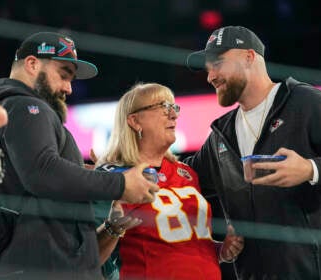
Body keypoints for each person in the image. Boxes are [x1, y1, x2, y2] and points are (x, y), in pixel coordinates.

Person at [185, 25, 321, 279]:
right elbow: (180, 179)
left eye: (218, 63)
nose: (210, 76)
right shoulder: (221, 136)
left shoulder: (304, 102)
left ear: (249, 57)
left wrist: (311, 169)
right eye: (208, 68)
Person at [0, 32, 159, 279]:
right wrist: (121, 184)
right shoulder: (26, 106)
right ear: (32, 64)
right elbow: (42, 171)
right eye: (63, 75)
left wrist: (82, 173)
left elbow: (29, 178)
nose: (68, 88)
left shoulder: (10, 108)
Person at [95, 82, 244, 280]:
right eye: (162, 107)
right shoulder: (114, 176)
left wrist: (220, 251)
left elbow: (183, 244)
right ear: (134, 121)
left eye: (173, 107)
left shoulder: (187, 173)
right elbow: (86, 257)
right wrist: (111, 228)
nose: (173, 114)